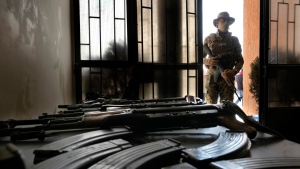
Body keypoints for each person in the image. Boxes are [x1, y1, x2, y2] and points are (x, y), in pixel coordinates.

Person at [203, 11, 244, 104]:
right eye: (223, 19)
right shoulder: (208, 39)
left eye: (228, 20)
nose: (226, 21)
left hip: (227, 79)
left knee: (227, 108)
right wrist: (207, 61)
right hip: (212, 78)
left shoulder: (234, 40)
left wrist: (234, 71)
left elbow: (240, 60)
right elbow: (198, 58)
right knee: (210, 108)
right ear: (217, 22)